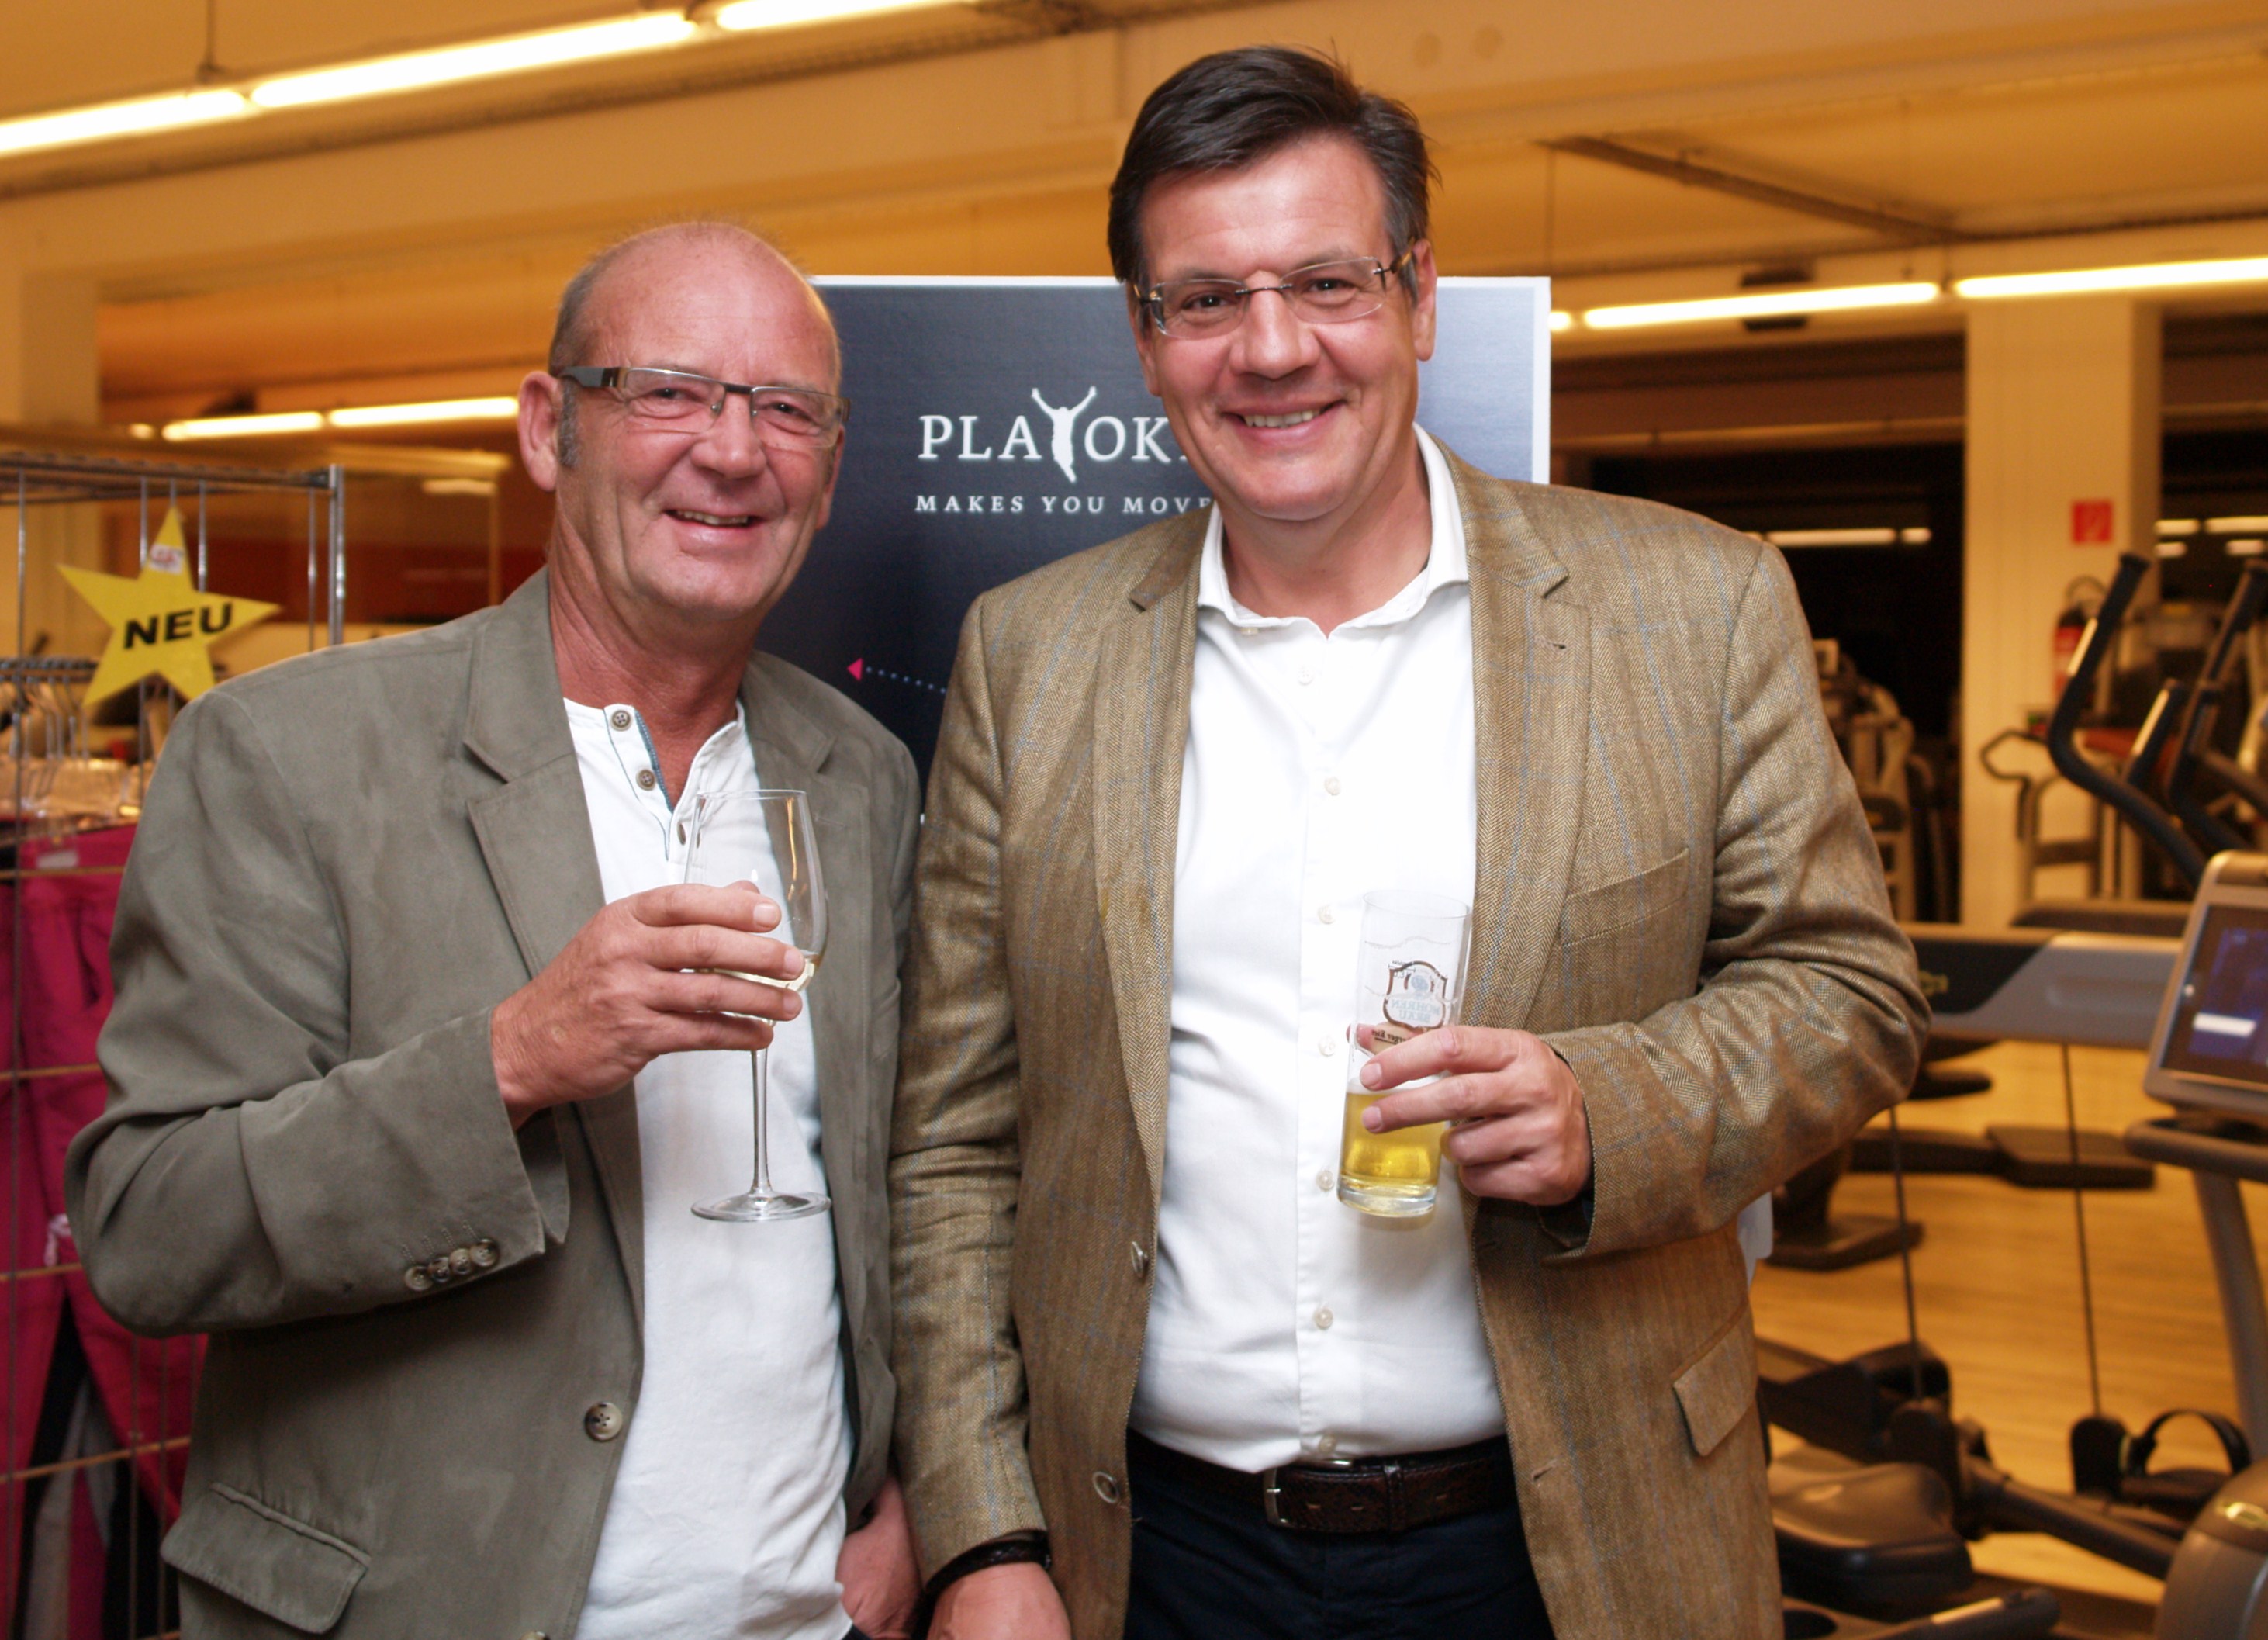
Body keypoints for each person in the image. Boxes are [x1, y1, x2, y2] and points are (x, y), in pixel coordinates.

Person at [888, 47, 1926, 1640]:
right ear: (1146, 339)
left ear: (1421, 295)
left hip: (1569, 1545)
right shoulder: (1034, 657)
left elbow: (1850, 995)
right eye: (1206, 299)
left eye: (1326, 281)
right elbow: (957, 1141)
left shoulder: (1693, 607)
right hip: (1152, 1561)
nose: (1272, 348)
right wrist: (980, 1534)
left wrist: (1605, 1107)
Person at [66, 223, 923, 1640]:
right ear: (546, 428)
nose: (732, 450)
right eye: (667, 390)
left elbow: (902, 1193)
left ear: (829, 472)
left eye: (786, 409)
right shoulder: (289, 755)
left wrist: (910, 1500)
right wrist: (510, 1060)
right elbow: (151, 1228)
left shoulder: (862, 775)